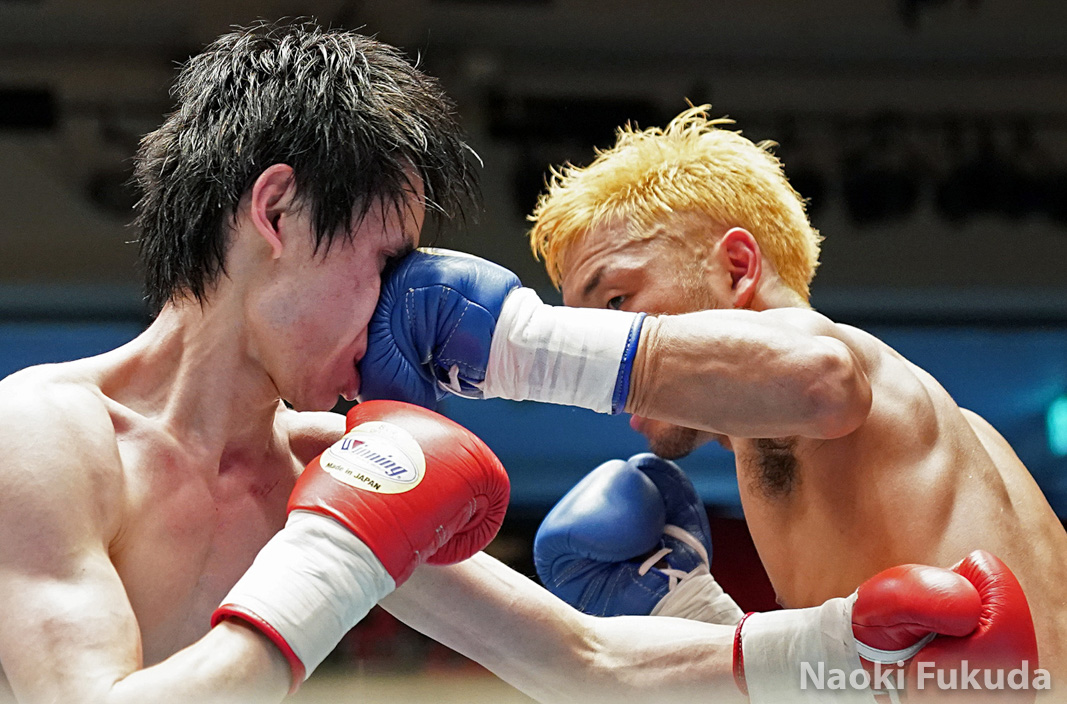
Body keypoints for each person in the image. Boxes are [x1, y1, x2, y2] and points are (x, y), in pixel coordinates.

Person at [359, 105, 1067, 697]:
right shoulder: (948, 446)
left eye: (616, 302)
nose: (603, 341)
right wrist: (697, 617)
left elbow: (821, 379)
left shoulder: (829, 363)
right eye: (587, 324)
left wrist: (519, 347)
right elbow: (884, 672)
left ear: (736, 267)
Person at [0, 21, 512, 703]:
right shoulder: (44, 435)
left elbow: (592, 660)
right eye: (387, 263)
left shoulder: (332, 469)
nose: (399, 309)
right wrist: (322, 572)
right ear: (277, 211)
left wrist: (618, 368)